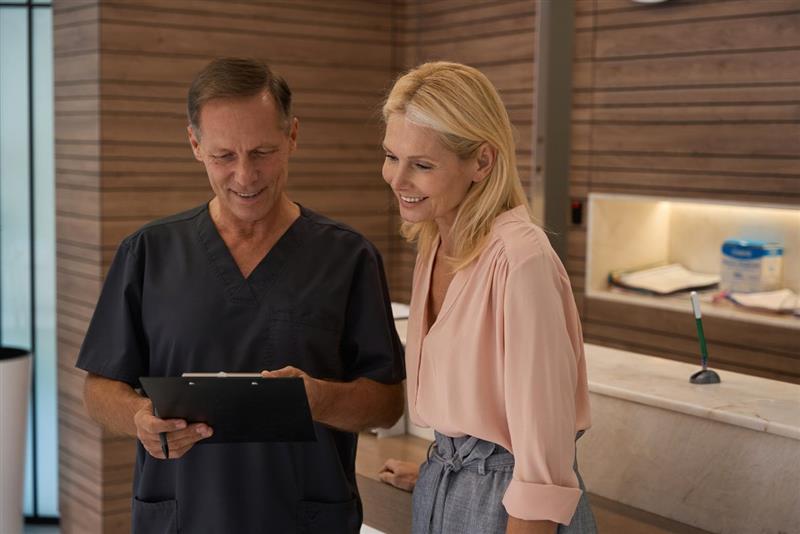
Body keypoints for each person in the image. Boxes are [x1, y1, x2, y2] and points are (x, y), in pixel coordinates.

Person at [76, 57, 405, 534]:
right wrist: (139, 416)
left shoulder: (348, 258)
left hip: (303, 519)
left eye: (263, 152)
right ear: (194, 144)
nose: (245, 176)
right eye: (224, 156)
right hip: (183, 517)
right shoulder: (148, 252)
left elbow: (387, 402)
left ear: (293, 136)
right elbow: (98, 387)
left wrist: (319, 400)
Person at [377, 62, 597, 534]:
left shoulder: (522, 262)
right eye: (391, 156)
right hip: (449, 488)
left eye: (422, 164)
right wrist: (442, 477)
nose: (397, 180)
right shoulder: (434, 242)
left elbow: (542, 470)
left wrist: (474, 483)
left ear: (482, 161)